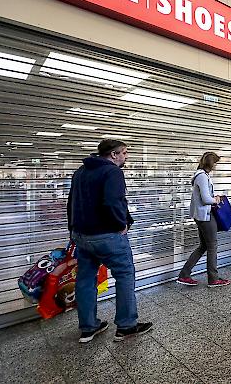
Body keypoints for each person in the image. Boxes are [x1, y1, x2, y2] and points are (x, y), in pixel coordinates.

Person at [68, 139, 152, 343]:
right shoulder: (112, 172)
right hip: (107, 236)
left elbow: (71, 202)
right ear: (113, 154)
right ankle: (126, 326)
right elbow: (113, 202)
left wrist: (73, 229)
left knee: (86, 279)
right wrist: (121, 224)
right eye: (124, 153)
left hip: (82, 235)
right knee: (124, 275)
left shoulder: (80, 172)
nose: (126, 157)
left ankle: (88, 328)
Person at [177, 152, 231, 288]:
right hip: (205, 216)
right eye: (216, 163)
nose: (216, 166)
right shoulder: (201, 176)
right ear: (211, 163)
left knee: (204, 246)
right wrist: (216, 199)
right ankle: (213, 279)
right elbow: (206, 199)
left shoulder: (202, 175)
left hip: (202, 215)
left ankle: (184, 275)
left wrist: (213, 197)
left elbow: (205, 196)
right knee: (212, 246)